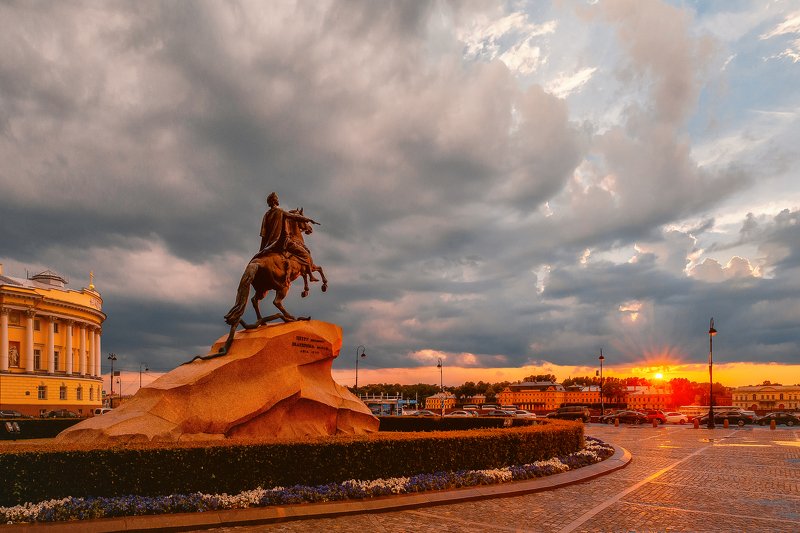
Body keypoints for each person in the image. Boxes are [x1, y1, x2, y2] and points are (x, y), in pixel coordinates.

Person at [257, 192, 319, 280]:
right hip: (282, 242)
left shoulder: (266, 215)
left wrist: (262, 250)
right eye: (277, 199)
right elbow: (294, 217)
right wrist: (308, 219)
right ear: (275, 201)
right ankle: (310, 276)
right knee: (305, 254)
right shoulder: (280, 211)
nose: (278, 200)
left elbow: (263, 234)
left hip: (268, 244)